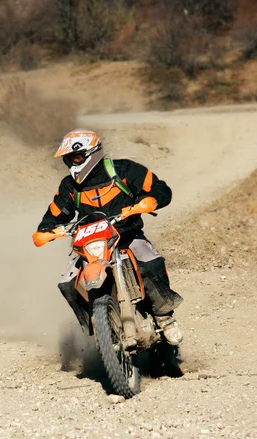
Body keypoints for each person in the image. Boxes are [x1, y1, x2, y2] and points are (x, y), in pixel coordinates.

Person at [34, 129, 183, 346]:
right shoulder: (69, 187)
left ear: (92, 153)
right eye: (68, 159)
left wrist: (151, 200)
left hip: (127, 236)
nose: (72, 163)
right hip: (91, 247)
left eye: (76, 157)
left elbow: (160, 188)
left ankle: (164, 317)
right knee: (67, 282)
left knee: (150, 263)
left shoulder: (124, 170)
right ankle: (100, 328)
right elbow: (54, 214)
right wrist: (46, 231)